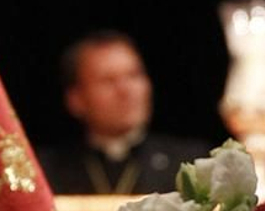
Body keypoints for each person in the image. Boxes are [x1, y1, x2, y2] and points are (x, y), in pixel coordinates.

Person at [37, 30, 209, 194]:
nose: (125, 91)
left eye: (134, 75)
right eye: (108, 80)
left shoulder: (190, 163)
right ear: (76, 100)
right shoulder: (46, 171)